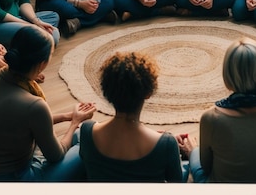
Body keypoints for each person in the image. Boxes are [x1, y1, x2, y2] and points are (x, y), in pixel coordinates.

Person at [0, 26, 97, 181]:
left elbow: (18, 122)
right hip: (10, 182)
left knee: (77, 136)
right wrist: (75, 122)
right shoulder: (34, 106)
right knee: (87, 141)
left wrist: (67, 116)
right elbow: (56, 155)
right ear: (42, 64)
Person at [178, 38, 256, 183]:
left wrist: (193, 151)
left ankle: (191, 150)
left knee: (195, 156)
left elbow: (206, 167)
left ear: (228, 74)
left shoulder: (212, 119)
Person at [79, 51, 186, 182]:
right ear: (148, 93)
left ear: (107, 92)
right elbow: (178, 184)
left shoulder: (86, 131)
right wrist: (190, 153)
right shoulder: (167, 145)